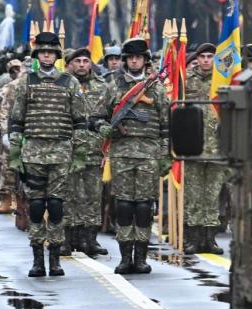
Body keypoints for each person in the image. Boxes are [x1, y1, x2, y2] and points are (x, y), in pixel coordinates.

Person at [8, 32, 83, 277]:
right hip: (33, 153)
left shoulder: (70, 82)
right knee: (37, 206)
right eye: (42, 52)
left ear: (57, 55)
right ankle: (38, 259)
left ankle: (55, 259)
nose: (47, 55)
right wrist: (16, 155)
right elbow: (16, 120)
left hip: (61, 151)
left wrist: (79, 152)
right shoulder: (26, 82)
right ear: (37, 55)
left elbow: (80, 120)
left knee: (57, 205)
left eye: (50, 51)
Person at [100, 37, 170, 275]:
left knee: (143, 207)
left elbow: (166, 125)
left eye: (138, 57)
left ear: (145, 60)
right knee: (123, 206)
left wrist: (165, 156)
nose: (134, 61)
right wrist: (105, 129)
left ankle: (140, 257)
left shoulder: (156, 88)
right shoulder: (114, 86)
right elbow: (98, 116)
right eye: (130, 58)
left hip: (149, 155)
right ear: (125, 61)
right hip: (122, 154)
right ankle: (125, 257)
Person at [66, 47, 111, 257]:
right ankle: (69, 238)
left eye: (85, 61)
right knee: (70, 194)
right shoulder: (62, 84)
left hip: (95, 149)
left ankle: (90, 239)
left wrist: (107, 150)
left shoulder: (103, 87)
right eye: (78, 61)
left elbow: (111, 118)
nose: (82, 65)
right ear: (69, 64)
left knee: (94, 196)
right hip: (69, 149)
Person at [181, 43, 225, 254]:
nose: (206, 60)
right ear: (196, 59)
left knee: (212, 196)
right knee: (193, 196)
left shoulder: (223, 81)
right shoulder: (187, 80)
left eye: (210, 56)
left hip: (217, 148)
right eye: (203, 56)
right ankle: (193, 238)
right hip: (194, 146)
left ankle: (210, 239)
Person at [0, 59, 24, 214]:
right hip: (13, 131)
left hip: (33, 132)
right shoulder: (13, 86)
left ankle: (22, 203)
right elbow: (4, 111)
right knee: (8, 166)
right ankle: (6, 198)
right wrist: (5, 133)